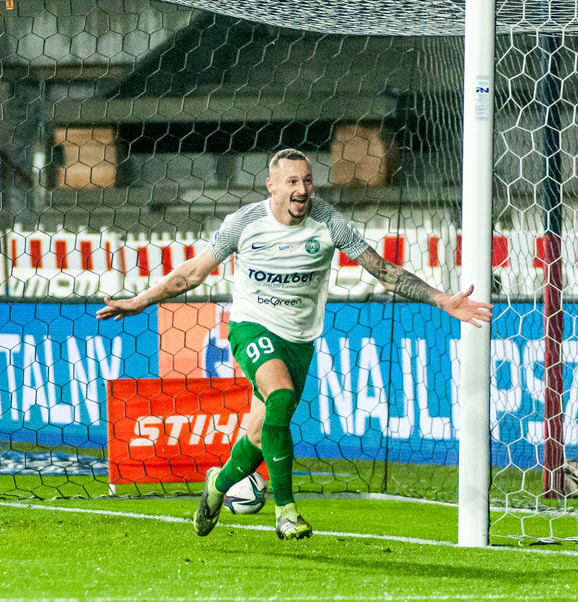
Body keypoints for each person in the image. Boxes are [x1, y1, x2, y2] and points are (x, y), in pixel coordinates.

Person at [97, 148, 492, 540]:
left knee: (257, 437)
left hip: (299, 339)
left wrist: (442, 299)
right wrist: (139, 301)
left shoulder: (329, 223)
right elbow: (193, 273)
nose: (302, 189)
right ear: (271, 187)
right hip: (251, 326)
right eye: (292, 181)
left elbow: (384, 272)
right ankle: (285, 511)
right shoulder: (244, 223)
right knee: (281, 395)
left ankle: (217, 484)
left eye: (307, 181)